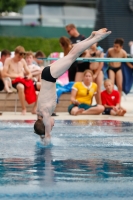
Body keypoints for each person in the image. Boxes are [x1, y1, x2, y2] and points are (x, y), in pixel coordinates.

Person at [33, 28, 111, 145]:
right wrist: (42, 136)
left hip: (50, 76)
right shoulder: (39, 113)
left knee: (73, 55)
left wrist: (48, 159)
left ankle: (96, 38)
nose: (52, 125)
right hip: (47, 75)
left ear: (46, 123)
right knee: (72, 54)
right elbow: (40, 129)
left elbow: (46, 132)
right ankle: (92, 37)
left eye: (51, 125)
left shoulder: (44, 114)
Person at [2, 46, 39, 115]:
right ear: (15, 54)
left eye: (21, 57)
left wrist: (29, 76)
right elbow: (3, 74)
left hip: (24, 80)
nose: (20, 59)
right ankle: (23, 108)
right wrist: (16, 76)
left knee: (42, 86)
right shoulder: (8, 61)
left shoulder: (22, 61)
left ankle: (34, 108)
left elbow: (29, 73)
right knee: (21, 87)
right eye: (19, 57)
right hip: (14, 81)